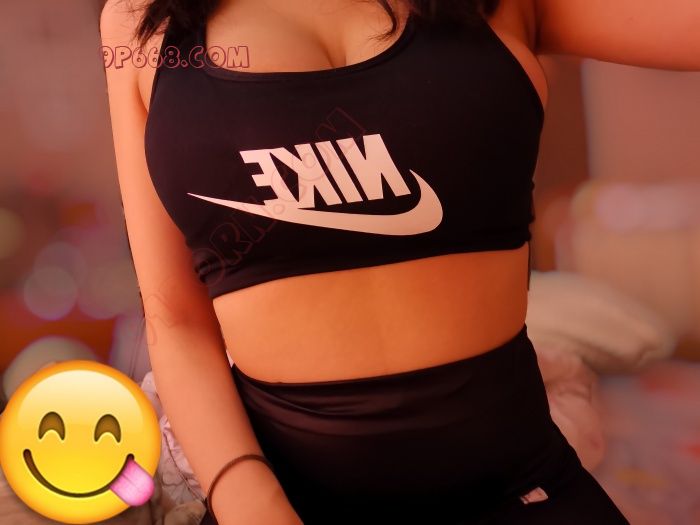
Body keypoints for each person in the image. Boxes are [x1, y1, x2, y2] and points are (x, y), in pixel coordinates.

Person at [99, 0, 697, 523]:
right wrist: (248, 500)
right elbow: (175, 318)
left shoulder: (494, 4)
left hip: (525, 492)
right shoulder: (142, 27)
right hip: (278, 504)